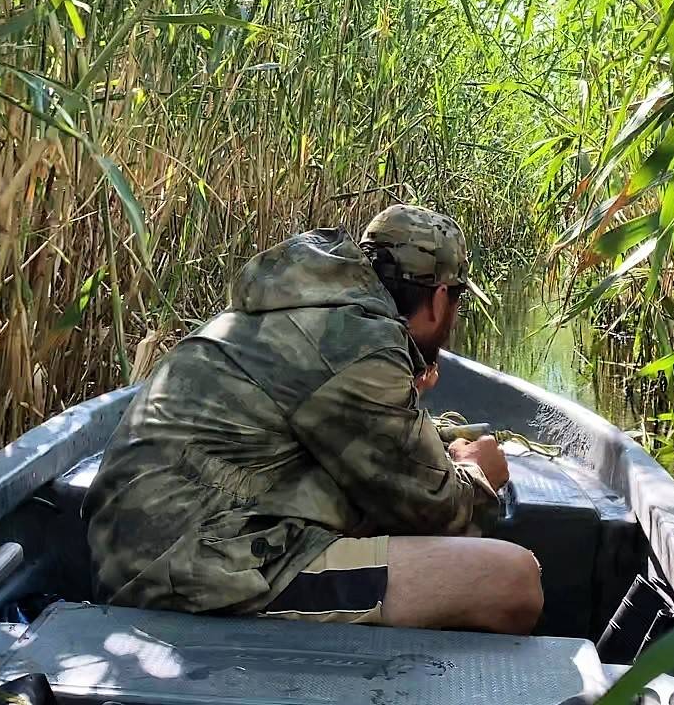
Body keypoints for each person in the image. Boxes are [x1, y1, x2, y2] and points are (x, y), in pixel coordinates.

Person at [83, 204, 543, 634]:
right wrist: (478, 474)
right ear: (440, 299)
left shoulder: (305, 307)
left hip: (152, 550)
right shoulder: (359, 345)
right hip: (192, 573)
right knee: (510, 580)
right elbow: (438, 514)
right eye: (456, 304)